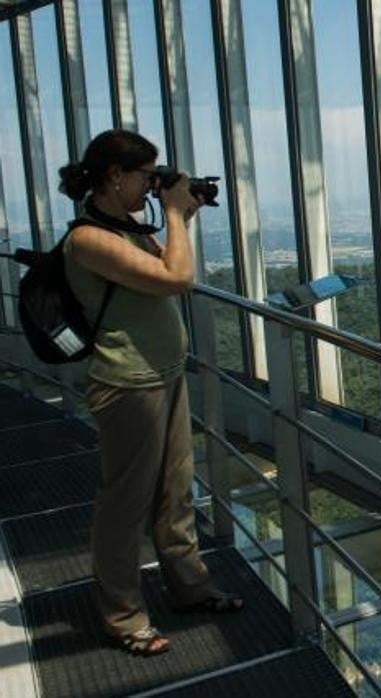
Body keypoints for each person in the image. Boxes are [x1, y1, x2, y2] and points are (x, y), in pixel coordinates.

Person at [58, 129, 242, 657]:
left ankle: (190, 587)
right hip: (127, 384)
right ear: (115, 176)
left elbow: (167, 266)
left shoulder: (126, 228)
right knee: (126, 503)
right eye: (146, 176)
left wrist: (180, 212)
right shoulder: (89, 239)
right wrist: (176, 214)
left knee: (175, 491)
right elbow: (177, 277)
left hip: (164, 373)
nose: (151, 186)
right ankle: (123, 616)